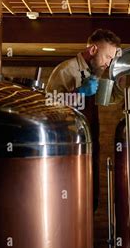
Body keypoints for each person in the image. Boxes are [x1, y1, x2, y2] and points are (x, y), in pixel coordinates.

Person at [46, 29, 121, 212]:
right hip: (67, 149)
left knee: (89, 204)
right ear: (93, 50)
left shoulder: (96, 72)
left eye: (112, 58)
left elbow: (115, 98)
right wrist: (78, 93)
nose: (108, 62)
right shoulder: (66, 70)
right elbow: (48, 106)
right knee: (68, 206)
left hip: (90, 146)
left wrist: (119, 73)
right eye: (107, 57)